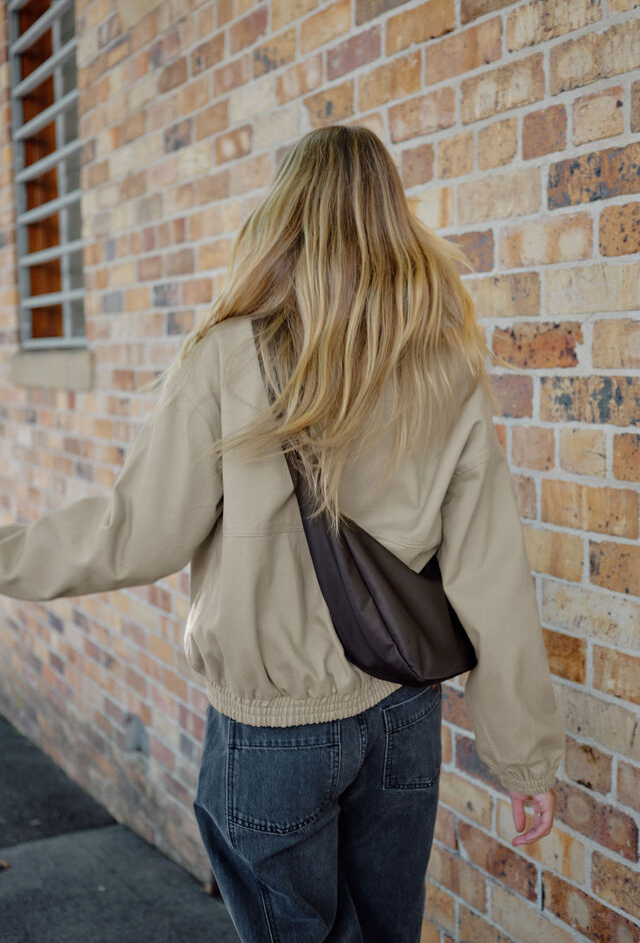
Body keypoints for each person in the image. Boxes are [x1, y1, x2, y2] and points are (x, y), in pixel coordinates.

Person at [0, 124, 565, 943]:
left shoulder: (231, 357)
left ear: (283, 216)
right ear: (390, 218)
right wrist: (524, 757)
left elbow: (133, 535)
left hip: (275, 731)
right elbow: (490, 570)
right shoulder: (445, 366)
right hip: (404, 712)